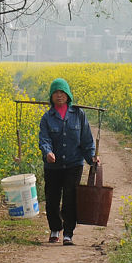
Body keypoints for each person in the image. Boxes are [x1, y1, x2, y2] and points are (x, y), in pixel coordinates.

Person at [38, 77, 97, 245]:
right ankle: (55, 229)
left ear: (68, 95)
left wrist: (91, 158)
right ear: (51, 96)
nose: (59, 95)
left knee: (71, 198)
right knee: (52, 199)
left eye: (62, 92)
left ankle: (68, 234)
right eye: (55, 92)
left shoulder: (79, 115)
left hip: (73, 163)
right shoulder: (47, 118)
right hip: (53, 166)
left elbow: (86, 140)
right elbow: (44, 139)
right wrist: (48, 152)